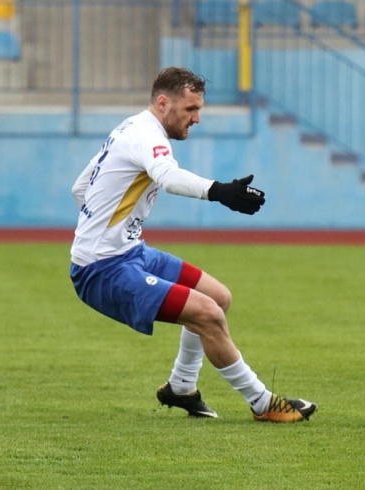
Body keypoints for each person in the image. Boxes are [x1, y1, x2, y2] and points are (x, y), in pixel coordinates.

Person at [69, 67, 316, 423]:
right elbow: (168, 178)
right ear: (164, 102)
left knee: (219, 297)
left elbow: (80, 187)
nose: (197, 118)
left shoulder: (129, 128)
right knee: (208, 314)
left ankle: (181, 387)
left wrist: (106, 229)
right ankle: (262, 402)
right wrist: (221, 191)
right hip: (102, 268)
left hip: (128, 252)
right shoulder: (147, 136)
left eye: (199, 109)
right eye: (190, 109)